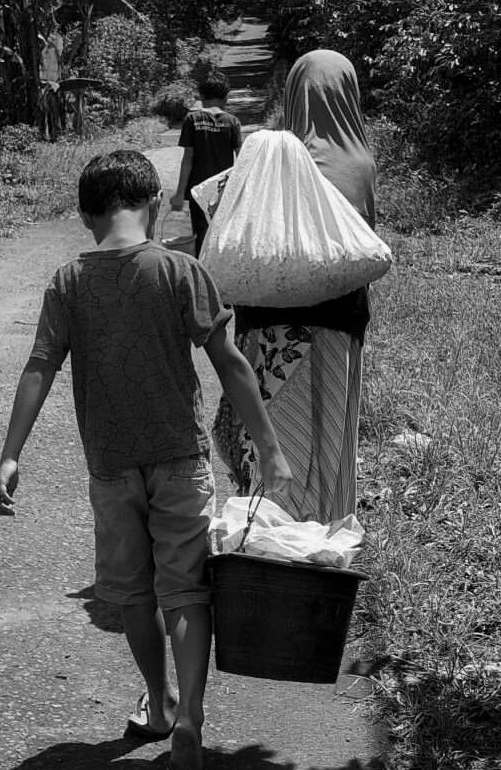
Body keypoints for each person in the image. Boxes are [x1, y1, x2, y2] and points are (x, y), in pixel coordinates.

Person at [0, 150, 290, 770]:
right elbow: (229, 362)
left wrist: (10, 455)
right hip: (179, 457)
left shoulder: (68, 281)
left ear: (84, 216)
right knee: (185, 590)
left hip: (110, 464)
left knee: (132, 592)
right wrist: (268, 446)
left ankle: (160, 702)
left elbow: (40, 366)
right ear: (155, 204)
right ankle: (191, 720)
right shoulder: (180, 270)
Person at [213, 49, 378, 525]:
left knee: (270, 433)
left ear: (293, 95)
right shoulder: (360, 164)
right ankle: (325, 528)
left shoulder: (272, 159)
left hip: (268, 329)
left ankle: (263, 530)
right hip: (336, 325)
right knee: (327, 433)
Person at [170, 69, 243, 257]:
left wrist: (180, 194)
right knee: (222, 233)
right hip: (223, 191)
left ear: (201, 97)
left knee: (201, 234)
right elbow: (242, 160)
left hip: (197, 191)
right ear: (226, 97)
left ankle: (202, 266)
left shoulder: (192, 120)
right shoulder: (232, 122)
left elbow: (187, 159)